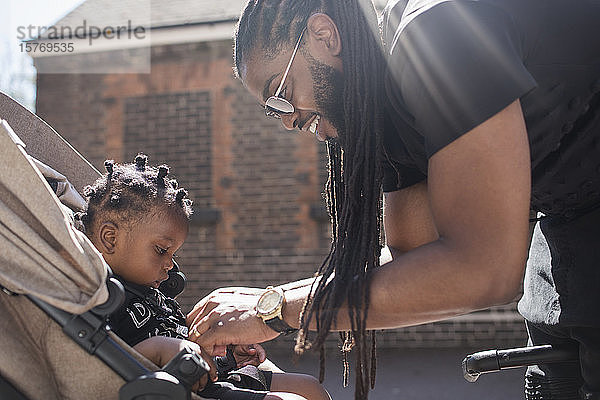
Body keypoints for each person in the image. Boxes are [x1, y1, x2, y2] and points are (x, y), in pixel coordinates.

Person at [186, 0, 600, 399]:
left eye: (281, 91)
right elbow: (415, 262)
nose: (288, 119)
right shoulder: (379, 112)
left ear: (323, 35)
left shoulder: (436, 31)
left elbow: (483, 269)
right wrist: (272, 302)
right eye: (272, 111)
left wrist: (274, 312)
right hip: (568, 220)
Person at [80, 154, 331, 400]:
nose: (170, 264)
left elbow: (184, 337)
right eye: (161, 250)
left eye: (173, 253)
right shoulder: (100, 293)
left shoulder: (152, 292)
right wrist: (159, 348)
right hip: (168, 387)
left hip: (209, 376)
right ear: (110, 238)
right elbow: (100, 363)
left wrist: (229, 354)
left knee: (310, 387)